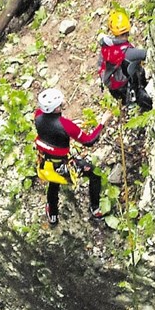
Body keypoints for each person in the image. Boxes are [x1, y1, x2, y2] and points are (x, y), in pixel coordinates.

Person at [34, 88, 112, 226]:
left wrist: (69, 128)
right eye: (60, 103)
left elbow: (51, 130)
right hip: (62, 165)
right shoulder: (65, 125)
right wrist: (102, 123)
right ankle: (95, 208)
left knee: (54, 183)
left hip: (46, 163)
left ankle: (52, 215)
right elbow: (89, 141)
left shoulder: (38, 115)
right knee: (94, 174)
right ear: (56, 109)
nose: (63, 103)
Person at [98, 10, 152, 111]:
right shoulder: (128, 53)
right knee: (148, 102)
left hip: (115, 88)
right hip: (128, 89)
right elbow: (148, 54)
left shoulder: (108, 46)